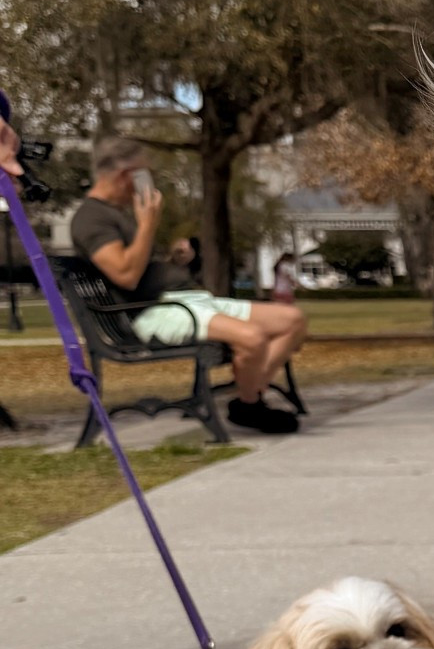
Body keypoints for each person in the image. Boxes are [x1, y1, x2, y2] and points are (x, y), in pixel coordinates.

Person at [69, 134, 308, 434]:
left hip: (185, 300)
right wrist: (147, 225)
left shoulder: (115, 214)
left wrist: (172, 262)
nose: (148, 183)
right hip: (154, 311)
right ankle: (251, 403)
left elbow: (137, 266)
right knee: (253, 338)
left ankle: (248, 399)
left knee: (292, 320)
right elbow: (125, 275)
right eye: (144, 174)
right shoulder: (90, 218)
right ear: (125, 176)